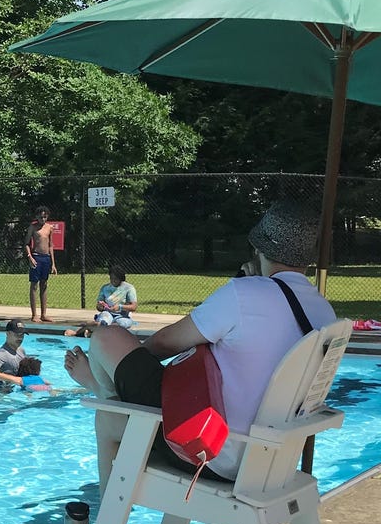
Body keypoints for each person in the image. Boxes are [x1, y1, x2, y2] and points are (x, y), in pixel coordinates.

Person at [63, 200, 337, 497]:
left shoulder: (245, 293)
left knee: (107, 340)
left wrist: (127, 360)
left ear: (258, 250)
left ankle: (102, 389)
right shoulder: (324, 312)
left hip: (209, 449)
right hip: (270, 461)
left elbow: (168, 341)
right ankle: (108, 394)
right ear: (307, 259)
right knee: (113, 413)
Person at [64, 266, 138, 337]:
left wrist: (120, 307)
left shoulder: (129, 288)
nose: (113, 281)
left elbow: (134, 307)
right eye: (111, 278)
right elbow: (98, 307)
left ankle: (93, 330)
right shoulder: (105, 288)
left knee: (121, 324)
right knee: (103, 322)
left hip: (123, 316)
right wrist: (100, 306)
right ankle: (77, 332)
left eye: (115, 279)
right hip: (108, 313)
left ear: (121, 278)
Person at [25, 205, 57, 322]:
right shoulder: (33, 227)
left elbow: (51, 245)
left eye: (45, 216)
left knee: (44, 285)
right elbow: (26, 243)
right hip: (36, 257)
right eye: (40, 216)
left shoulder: (49, 228)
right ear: (37, 216)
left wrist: (53, 264)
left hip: (46, 258)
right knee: (34, 285)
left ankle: (44, 314)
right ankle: (34, 314)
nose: (43, 219)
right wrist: (30, 257)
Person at [0, 320, 28, 392]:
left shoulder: (21, 350)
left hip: (18, 389)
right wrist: (13, 379)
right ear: (8, 333)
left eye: (22, 335)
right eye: (17, 334)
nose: (20, 338)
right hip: (3, 394)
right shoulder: (2, 354)